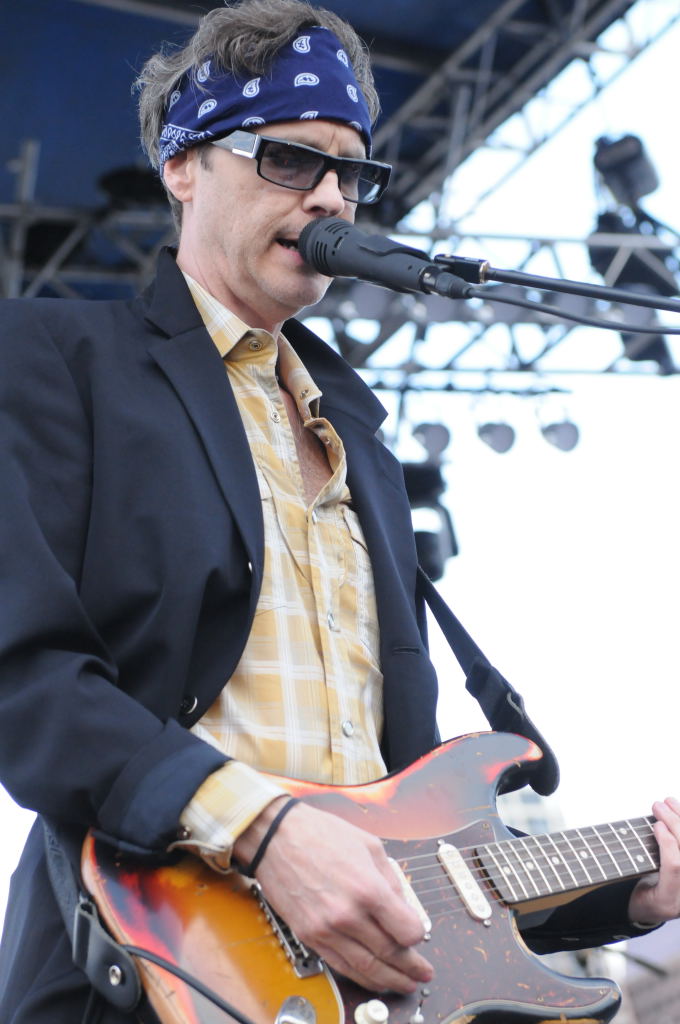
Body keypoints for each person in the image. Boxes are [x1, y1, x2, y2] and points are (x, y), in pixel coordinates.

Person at [0, 1, 679, 1021]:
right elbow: (23, 672)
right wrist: (267, 829)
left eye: (350, 173)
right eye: (289, 159)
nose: (329, 196)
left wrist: (631, 891)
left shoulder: (359, 434)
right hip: (139, 975)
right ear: (183, 164)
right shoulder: (53, 362)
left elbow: (431, 861)